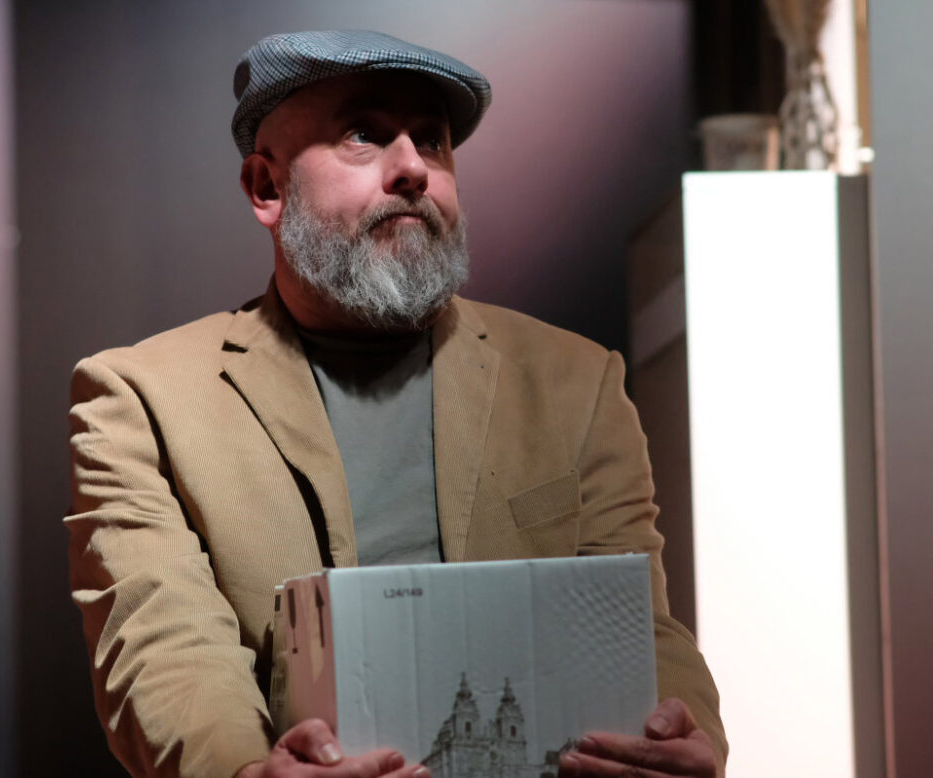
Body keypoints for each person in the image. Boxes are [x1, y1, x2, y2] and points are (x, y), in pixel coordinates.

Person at [67, 30, 726, 778]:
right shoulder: (141, 400)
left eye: (434, 141)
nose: (413, 166)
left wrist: (685, 737)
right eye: (364, 134)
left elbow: (641, 630)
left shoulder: (577, 381)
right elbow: (165, 644)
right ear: (267, 188)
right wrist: (249, 771)